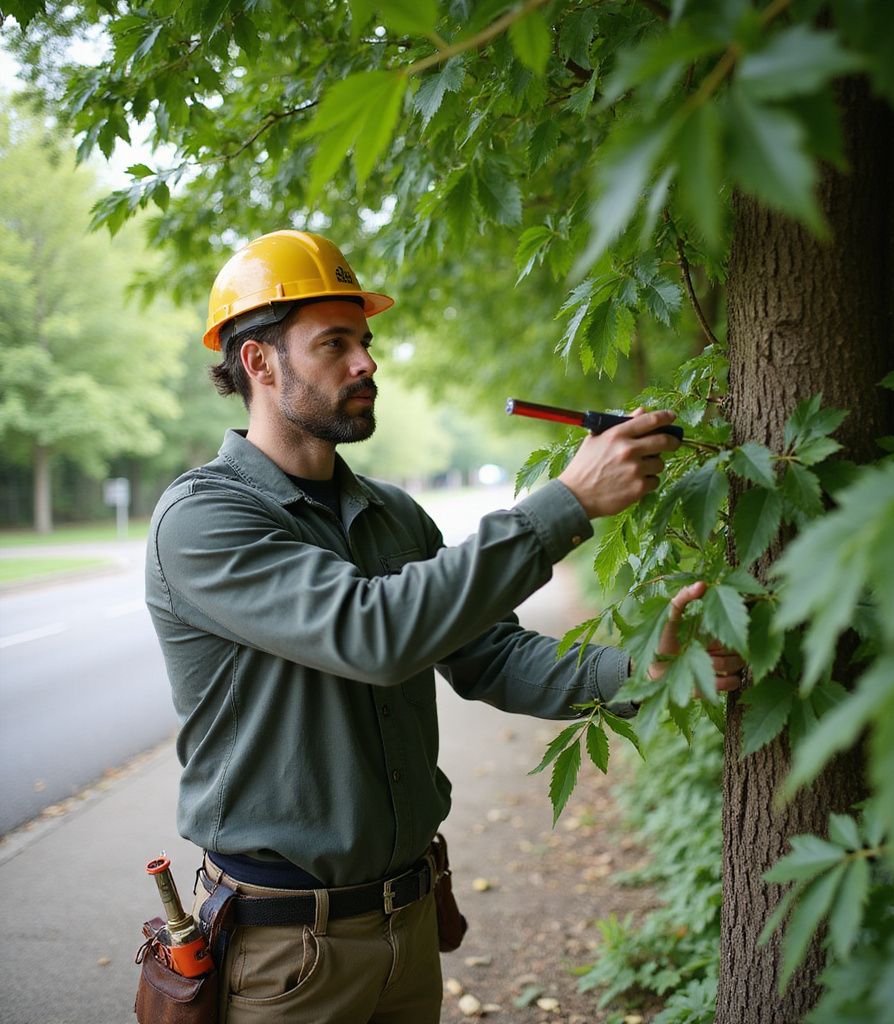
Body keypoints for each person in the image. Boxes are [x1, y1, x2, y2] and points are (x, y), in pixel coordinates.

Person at [144, 229, 743, 1023]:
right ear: (258, 363)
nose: (367, 363)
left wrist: (641, 671)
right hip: (285, 953)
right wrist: (564, 504)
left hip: (412, 919)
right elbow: (374, 634)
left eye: (365, 340)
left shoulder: (391, 514)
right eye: (334, 343)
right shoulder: (204, 521)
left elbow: (487, 653)